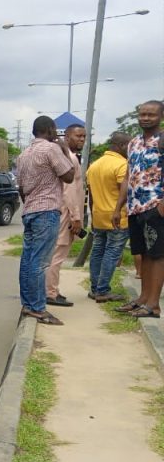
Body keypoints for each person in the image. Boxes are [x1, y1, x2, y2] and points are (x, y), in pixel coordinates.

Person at [15, 115, 77, 325]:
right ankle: (38, 308)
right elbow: (69, 176)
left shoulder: (23, 154)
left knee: (28, 260)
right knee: (40, 263)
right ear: (50, 130)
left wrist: (31, 203)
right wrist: (65, 150)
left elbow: (21, 189)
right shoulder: (51, 149)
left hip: (30, 211)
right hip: (47, 210)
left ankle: (28, 304)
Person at [118, 100, 164, 318]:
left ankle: (154, 304)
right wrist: (119, 207)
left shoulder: (162, 140)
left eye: (151, 114)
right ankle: (143, 299)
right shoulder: (133, 142)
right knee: (143, 253)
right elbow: (128, 176)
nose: (146, 118)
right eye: (143, 114)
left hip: (155, 205)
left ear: (160, 117)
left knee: (157, 255)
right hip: (135, 206)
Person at [86, 132, 133, 301]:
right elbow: (125, 191)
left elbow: (90, 195)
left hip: (98, 215)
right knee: (112, 253)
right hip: (117, 216)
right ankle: (103, 290)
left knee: (97, 251)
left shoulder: (94, 165)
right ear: (121, 146)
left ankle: (94, 288)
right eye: (129, 146)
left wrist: (91, 216)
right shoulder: (122, 165)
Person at [45, 124, 86, 306]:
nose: (82, 140)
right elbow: (69, 191)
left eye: (84, 136)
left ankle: (52, 290)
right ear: (67, 137)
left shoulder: (67, 157)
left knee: (55, 254)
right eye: (78, 136)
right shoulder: (69, 158)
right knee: (57, 255)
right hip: (66, 215)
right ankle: (50, 293)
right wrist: (76, 218)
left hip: (62, 212)